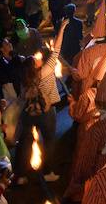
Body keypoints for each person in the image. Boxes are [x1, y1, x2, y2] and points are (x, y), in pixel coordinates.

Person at [14, 17, 68, 184]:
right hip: (46, 112)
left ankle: (21, 175)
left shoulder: (25, 77)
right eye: (36, 58)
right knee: (50, 141)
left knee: (25, 141)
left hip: (28, 113)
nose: (38, 57)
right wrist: (62, 28)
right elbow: (57, 49)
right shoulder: (46, 70)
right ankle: (48, 172)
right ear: (36, 65)